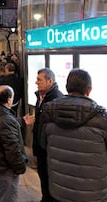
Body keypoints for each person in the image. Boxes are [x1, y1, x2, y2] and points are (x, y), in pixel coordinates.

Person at [40, 69, 107, 201]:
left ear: (67, 87)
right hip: (93, 196)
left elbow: (43, 144)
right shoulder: (102, 118)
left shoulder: (48, 112)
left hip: (59, 192)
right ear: (89, 90)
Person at [32, 68, 63, 202]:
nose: (36, 82)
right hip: (41, 147)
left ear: (50, 81)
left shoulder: (56, 99)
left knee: (50, 179)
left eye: (39, 80)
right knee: (43, 176)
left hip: (49, 149)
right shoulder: (41, 96)